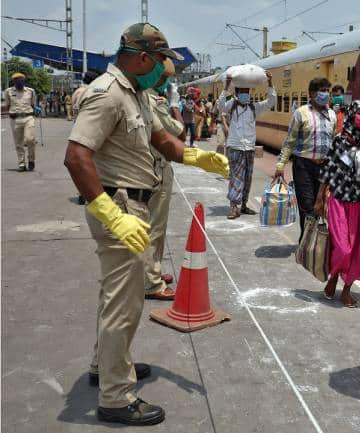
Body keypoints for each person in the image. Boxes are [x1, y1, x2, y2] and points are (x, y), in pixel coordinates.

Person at [63, 22, 229, 426]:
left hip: (131, 205)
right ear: (141, 58)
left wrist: (195, 157)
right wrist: (109, 214)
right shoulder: (107, 94)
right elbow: (76, 156)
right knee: (125, 305)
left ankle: (106, 367)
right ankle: (116, 397)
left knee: (115, 296)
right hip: (119, 208)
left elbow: (162, 140)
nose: (162, 69)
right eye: (159, 62)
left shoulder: (133, 93)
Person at [315, 100, 360, 307]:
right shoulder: (340, 140)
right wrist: (320, 197)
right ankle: (333, 277)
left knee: (359, 248)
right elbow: (329, 169)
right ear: (352, 115)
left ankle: (347, 288)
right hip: (341, 199)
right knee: (343, 248)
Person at [144, 60, 186, 301]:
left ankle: (153, 271)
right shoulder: (154, 102)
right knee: (155, 227)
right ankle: (150, 282)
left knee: (153, 226)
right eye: (165, 79)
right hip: (157, 169)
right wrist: (174, 106)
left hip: (148, 167)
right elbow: (178, 130)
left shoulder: (143, 97)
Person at [274, 77, 335, 240]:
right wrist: (280, 165)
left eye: (327, 91)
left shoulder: (332, 115)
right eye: (321, 90)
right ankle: (306, 242)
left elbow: (333, 141)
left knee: (321, 204)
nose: (325, 94)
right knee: (307, 207)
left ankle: (314, 241)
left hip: (324, 168)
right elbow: (290, 141)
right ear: (311, 93)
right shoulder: (301, 113)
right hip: (304, 166)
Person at [217, 72, 276, 219]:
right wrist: (226, 87)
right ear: (237, 93)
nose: (246, 94)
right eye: (242, 92)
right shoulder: (231, 105)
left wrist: (270, 82)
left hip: (249, 147)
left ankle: (243, 205)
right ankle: (233, 206)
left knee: (247, 178)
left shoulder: (254, 107)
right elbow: (220, 106)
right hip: (235, 147)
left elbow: (271, 101)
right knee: (236, 177)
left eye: (247, 92)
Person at [2, 72, 38, 171]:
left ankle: (31, 159)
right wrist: (11, 112)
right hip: (15, 119)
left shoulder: (31, 91)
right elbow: (7, 105)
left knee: (30, 139)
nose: (19, 81)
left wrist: (36, 110)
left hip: (28, 118)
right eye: (16, 80)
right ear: (13, 81)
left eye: (21, 79)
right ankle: (21, 163)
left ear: (24, 80)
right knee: (18, 143)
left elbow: (33, 104)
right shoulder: (8, 91)